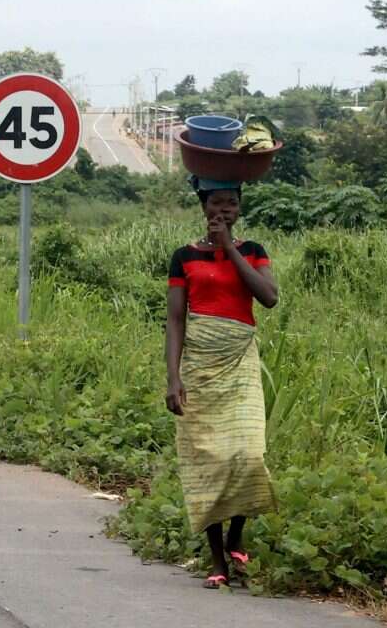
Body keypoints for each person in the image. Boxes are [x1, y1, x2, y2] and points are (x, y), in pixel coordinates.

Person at [165, 176, 279, 590]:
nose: (223, 210)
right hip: (201, 368)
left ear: (239, 208)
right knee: (209, 462)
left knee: (248, 455)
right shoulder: (184, 257)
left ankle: (236, 535)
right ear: (203, 207)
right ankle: (217, 559)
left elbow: (268, 297)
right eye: (216, 203)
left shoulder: (253, 251)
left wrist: (229, 247)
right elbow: (176, 320)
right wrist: (173, 377)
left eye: (231, 204)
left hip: (240, 362)